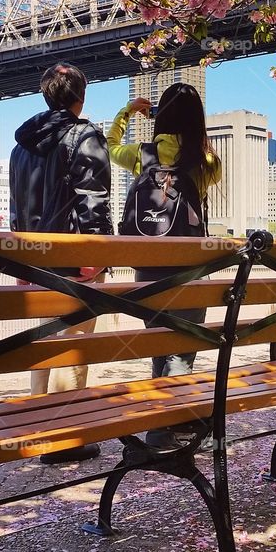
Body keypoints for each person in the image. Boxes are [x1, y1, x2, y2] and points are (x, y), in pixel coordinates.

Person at [107, 82, 222, 447]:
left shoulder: (142, 155)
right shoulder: (205, 161)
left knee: (162, 342)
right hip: (189, 270)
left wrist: (126, 113)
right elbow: (213, 174)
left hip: (147, 270)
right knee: (182, 344)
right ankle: (164, 426)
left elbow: (109, 148)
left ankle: (170, 419)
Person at [9, 61, 113, 463]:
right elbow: (93, 201)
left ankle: (39, 426)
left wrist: (20, 263)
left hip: (35, 265)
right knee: (74, 345)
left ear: (46, 95)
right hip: (72, 264)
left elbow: (17, 208)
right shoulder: (85, 136)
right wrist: (93, 257)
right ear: (81, 96)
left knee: (44, 341)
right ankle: (66, 437)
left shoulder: (21, 147)